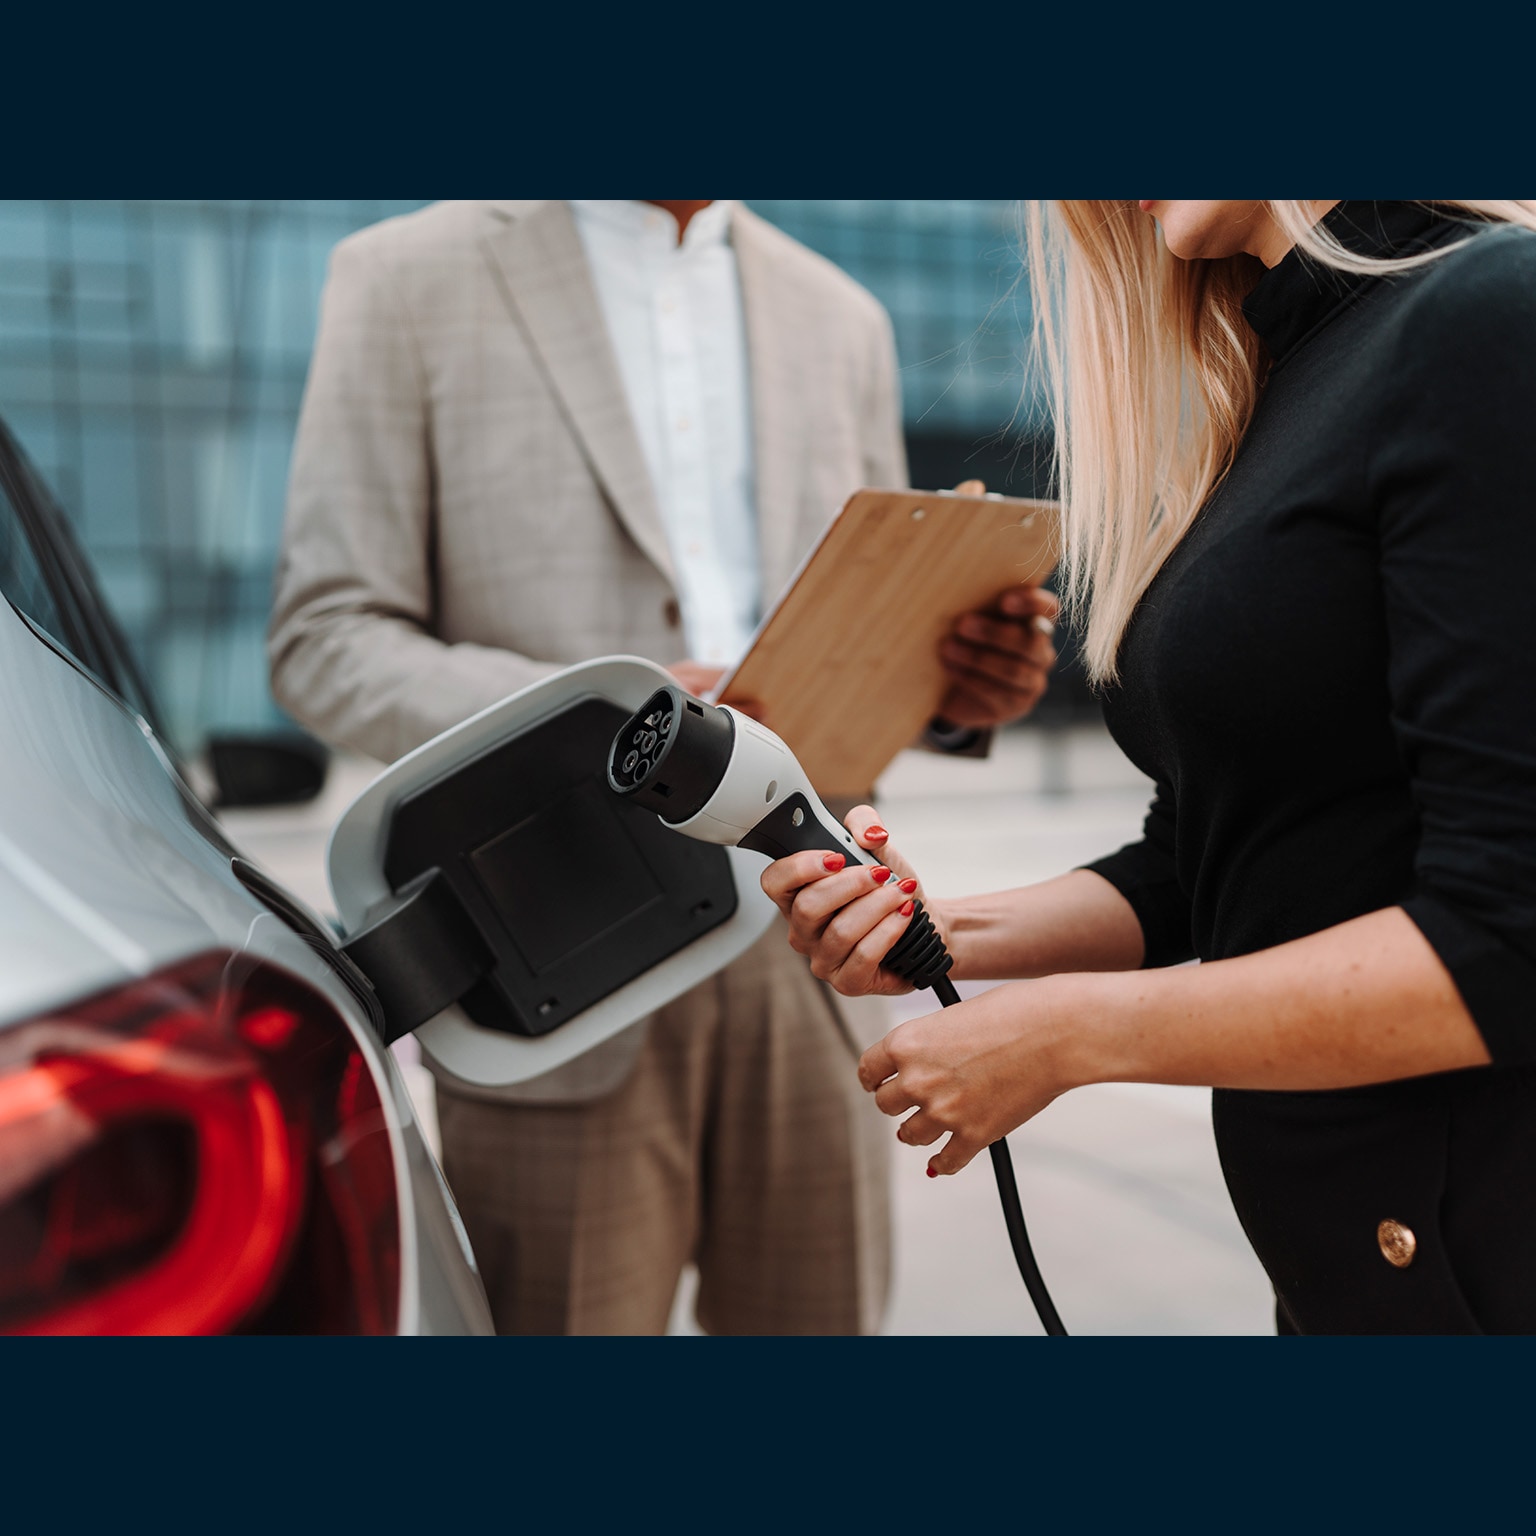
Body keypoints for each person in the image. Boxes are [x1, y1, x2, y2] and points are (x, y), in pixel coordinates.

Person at [268, 199, 1058, 1335]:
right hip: (558, 951)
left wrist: (952, 693)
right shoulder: (404, 277)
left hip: (814, 954)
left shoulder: (840, 315)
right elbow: (324, 635)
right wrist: (592, 716)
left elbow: (860, 640)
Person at [760, 200, 1536, 1334]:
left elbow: (1508, 936)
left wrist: (1071, 1034)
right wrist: (938, 933)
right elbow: (1214, 853)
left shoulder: (1483, 316)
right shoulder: (1283, 377)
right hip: (1355, 1266)